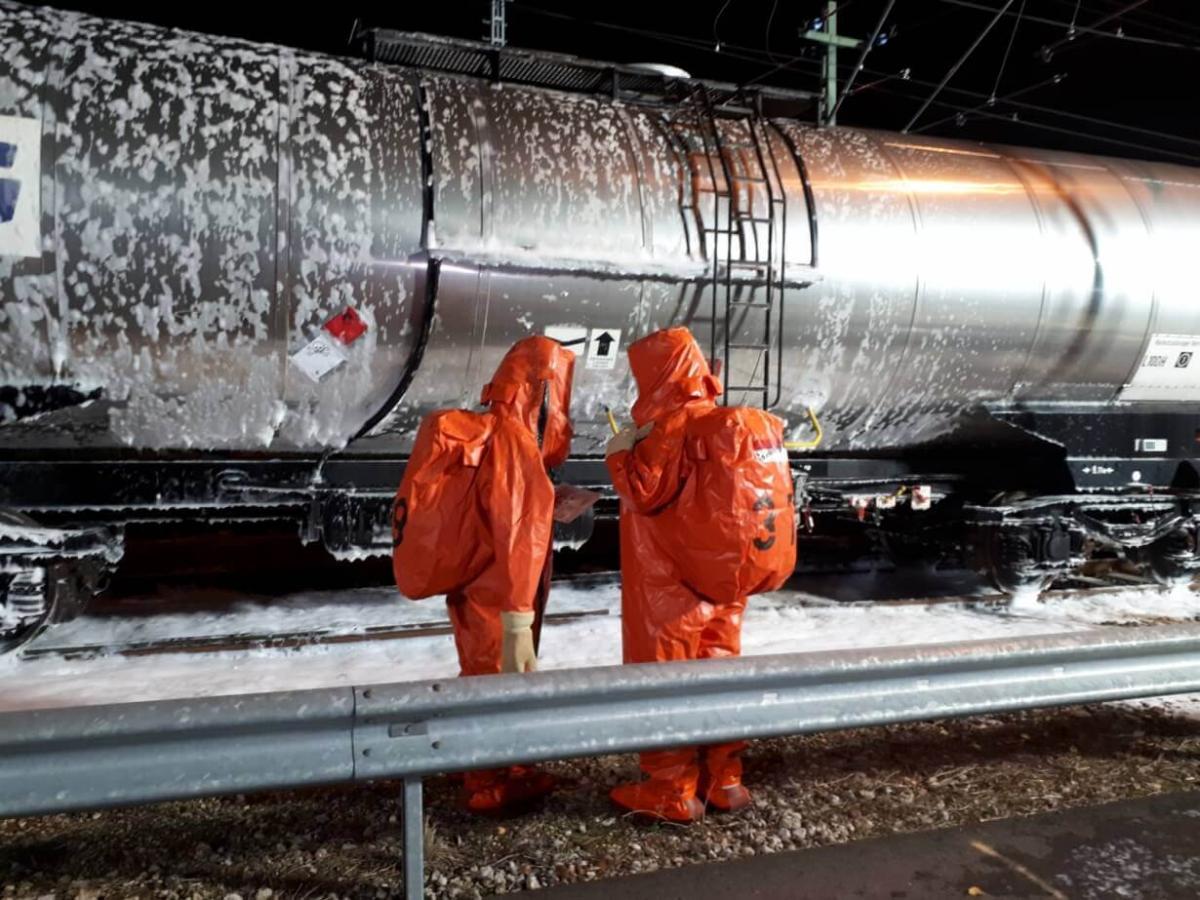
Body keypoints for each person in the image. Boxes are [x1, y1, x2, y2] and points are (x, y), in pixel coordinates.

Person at [605, 326, 796, 822]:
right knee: (720, 669)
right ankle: (724, 778)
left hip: (669, 586)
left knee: (663, 677)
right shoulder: (722, 423)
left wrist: (618, 449)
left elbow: (643, 490)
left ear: (656, 375)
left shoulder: (670, 425)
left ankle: (671, 791)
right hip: (722, 579)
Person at [392, 335, 575, 813]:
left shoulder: (493, 431)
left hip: (476, 582)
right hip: (501, 590)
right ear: (542, 393)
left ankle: (504, 768)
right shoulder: (515, 441)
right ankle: (487, 782)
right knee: (496, 678)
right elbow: (518, 532)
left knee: (483, 674)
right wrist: (518, 618)